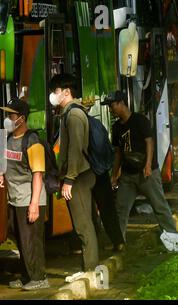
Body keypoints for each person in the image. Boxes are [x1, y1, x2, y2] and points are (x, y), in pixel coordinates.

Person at [103, 90, 178, 244]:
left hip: (146, 173)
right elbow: (118, 152)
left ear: (121, 103)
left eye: (112, 106)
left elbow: (149, 142)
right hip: (128, 175)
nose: (111, 110)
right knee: (121, 209)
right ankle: (119, 243)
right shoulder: (116, 127)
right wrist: (114, 174)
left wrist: (148, 165)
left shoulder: (139, 120)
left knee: (160, 207)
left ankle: (173, 239)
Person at [0, 98, 50, 291]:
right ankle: (27, 275)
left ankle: (39, 277)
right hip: (15, 199)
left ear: (21, 118)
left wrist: (34, 204)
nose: (8, 118)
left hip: (30, 199)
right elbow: (7, 164)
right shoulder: (10, 140)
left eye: (12, 115)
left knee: (31, 241)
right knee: (20, 239)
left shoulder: (32, 141)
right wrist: (1, 174)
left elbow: (38, 174)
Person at [49, 73, 98, 272]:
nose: (53, 95)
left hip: (78, 178)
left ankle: (90, 270)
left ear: (66, 92)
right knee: (83, 224)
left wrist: (69, 179)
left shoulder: (74, 115)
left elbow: (75, 150)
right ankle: (89, 267)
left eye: (56, 91)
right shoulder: (68, 113)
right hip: (77, 176)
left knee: (83, 225)